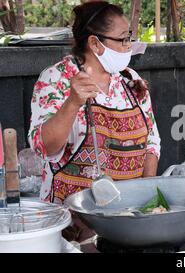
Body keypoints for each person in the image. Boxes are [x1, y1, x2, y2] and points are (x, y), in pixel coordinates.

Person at [28, 1, 161, 206]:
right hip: (72, 217)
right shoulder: (57, 79)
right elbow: (43, 148)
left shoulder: (129, 79)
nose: (129, 46)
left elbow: (151, 142)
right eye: (123, 39)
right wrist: (72, 102)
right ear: (95, 43)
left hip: (127, 212)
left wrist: (145, 199)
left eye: (129, 38)